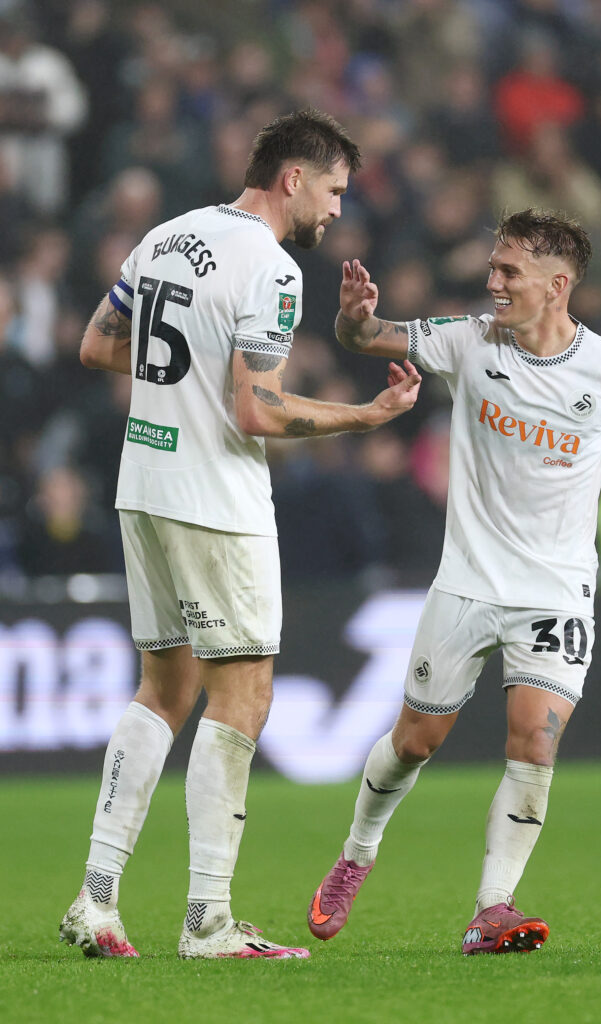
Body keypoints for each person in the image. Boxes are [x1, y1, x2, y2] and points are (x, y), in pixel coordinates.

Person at [59, 108, 421, 962]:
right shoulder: (272, 268)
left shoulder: (165, 237)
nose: (336, 210)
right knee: (244, 694)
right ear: (293, 177)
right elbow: (253, 408)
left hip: (141, 485)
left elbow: (96, 347)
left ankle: (96, 899)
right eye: (333, 190)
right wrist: (363, 415)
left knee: (164, 688)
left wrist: (175, 381)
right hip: (214, 500)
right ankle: (207, 921)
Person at [307, 209, 601, 955]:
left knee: (533, 743)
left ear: (556, 284)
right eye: (493, 266)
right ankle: (356, 853)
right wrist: (353, 320)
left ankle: (491, 909)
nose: (491, 280)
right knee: (415, 741)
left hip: (555, 590)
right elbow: (365, 338)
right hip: (467, 583)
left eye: (508, 271)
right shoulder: (468, 340)